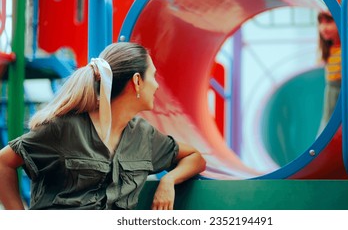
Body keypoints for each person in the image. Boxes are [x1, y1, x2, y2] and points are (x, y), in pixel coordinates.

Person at [0, 42, 206, 210]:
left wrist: (168, 181)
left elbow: (194, 157)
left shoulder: (144, 135)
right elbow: (3, 162)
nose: (157, 85)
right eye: (152, 76)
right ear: (137, 81)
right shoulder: (64, 128)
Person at [317, 11, 341, 133]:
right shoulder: (329, 49)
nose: (323, 27)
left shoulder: (345, 50)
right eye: (320, 22)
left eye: (328, 22)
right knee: (325, 124)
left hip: (340, 92)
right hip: (331, 94)